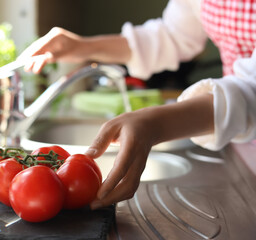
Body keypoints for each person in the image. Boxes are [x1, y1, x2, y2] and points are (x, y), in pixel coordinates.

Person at [16, 0, 256, 210]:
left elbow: (252, 92)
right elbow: (172, 35)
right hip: (239, 138)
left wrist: (157, 123)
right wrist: (82, 47)